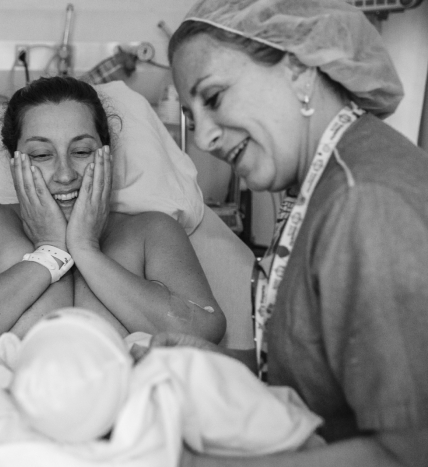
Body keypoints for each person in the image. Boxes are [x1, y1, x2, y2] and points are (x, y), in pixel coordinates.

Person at [141, 1, 428, 466]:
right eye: (193, 118)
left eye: (212, 98)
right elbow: (325, 381)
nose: (204, 138)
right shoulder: (331, 180)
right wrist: (224, 364)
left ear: (297, 68)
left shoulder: (366, 200)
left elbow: (411, 451)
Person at [0, 76, 226, 372]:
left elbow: (203, 340)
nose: (65, 174)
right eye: (41, 154)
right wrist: (49, 254)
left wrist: (86, 251)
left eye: (80, 151)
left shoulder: (151, 232)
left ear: (106, 154)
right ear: (14, 161)